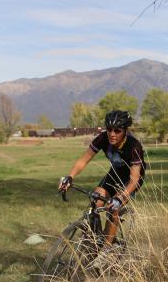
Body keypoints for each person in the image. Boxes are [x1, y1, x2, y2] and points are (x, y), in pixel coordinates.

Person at [58, 110, 146, 268]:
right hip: (115, 173)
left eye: (117, 130)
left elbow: (134, 180)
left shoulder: (134, 146)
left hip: (131, 179)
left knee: (113, 208)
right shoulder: (102, 138)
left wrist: (119, 198)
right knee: (95, 200)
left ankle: (106, 250)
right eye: (109, 129)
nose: (112, 134)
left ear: (125, 131)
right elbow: (83, 160)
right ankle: (93, 238)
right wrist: (69, 177)